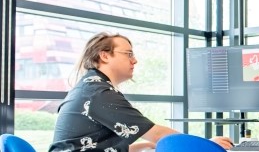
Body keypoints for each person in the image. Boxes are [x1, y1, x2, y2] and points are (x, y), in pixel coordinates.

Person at [49, 32, 233, 152]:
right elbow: (159, 135)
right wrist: (208, 145)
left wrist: (145, 144)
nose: (134, 60)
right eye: (128, 54)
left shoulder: (91, 86)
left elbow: (96, 146)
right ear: (104, 56)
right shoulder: (98, 92)